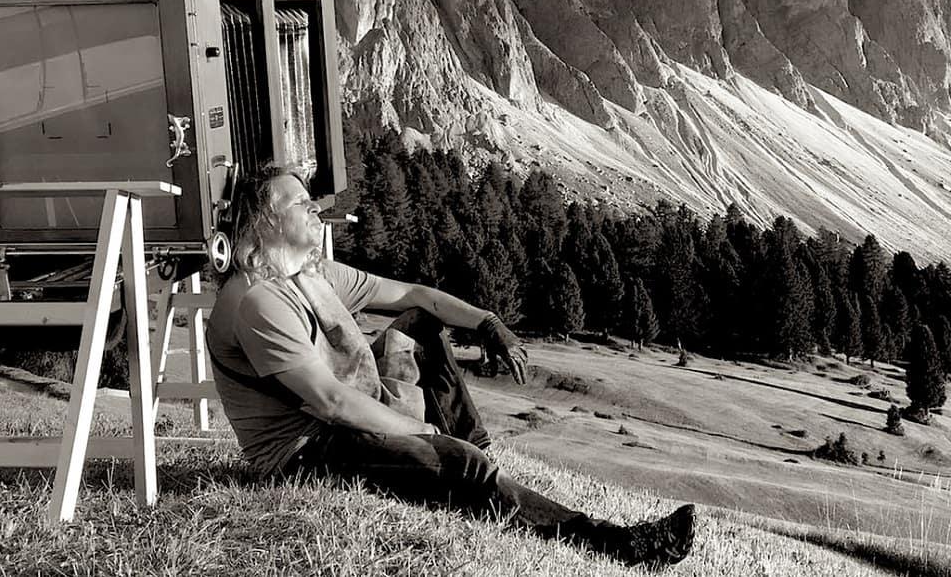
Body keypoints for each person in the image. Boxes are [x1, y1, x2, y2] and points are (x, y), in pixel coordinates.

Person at [206, 166, 696, 568]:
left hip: (342, 418)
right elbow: (330, 404)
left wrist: (486, 322)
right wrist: (417, 431)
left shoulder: (309, 275)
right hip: (305, 454)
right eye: (298, 202)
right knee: (460, 466)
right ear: (264, 223)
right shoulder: (258, 301)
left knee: (419, 323)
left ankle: (477, 454)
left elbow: (415, 297)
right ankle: (617, 544)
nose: (316, 207)